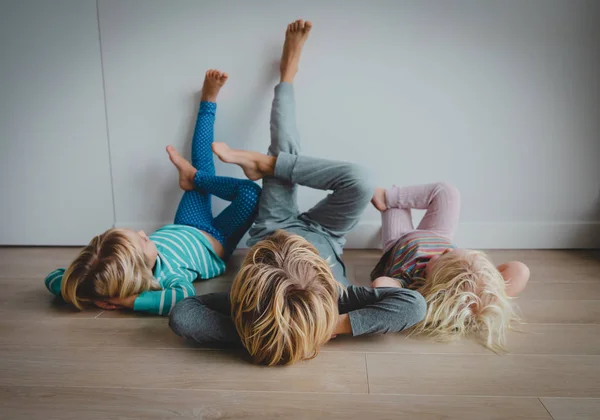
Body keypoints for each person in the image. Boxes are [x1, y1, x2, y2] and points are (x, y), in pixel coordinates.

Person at [168, 19, 426, 366]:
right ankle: (270, 159)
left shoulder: (251, 304)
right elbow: (412, 305)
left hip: (275, 224)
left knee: (285, 149)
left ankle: (281, 104)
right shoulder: (337, 297)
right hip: (327, 233)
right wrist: (320, 326)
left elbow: (184, 314)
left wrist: (265, 329)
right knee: (362, 181)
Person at [44, 70, 261, 316]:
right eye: (143, 240)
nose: (142, 232)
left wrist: (84, 288)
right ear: (141, 270)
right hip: (218, 241)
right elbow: (182, 296)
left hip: (188, 222)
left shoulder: (100, 275)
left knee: (202, 162)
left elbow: (53, 278)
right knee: (251, 194)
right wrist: (128, 301)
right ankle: (195, 177)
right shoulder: (166, 278)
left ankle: (208, 102)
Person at [369, 183, 530, 350]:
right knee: (448, 193)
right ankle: (387, 196)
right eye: (452, 252)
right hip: (438, 234)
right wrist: (494, 294)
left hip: (399, 241)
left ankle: (386, 199)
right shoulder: (479, 284)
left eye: (443, 257)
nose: (446, 250)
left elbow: (379, 285)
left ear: (435, 282)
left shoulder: (413, 285)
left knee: (395, 207)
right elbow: (520, 270)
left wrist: (403, 290)